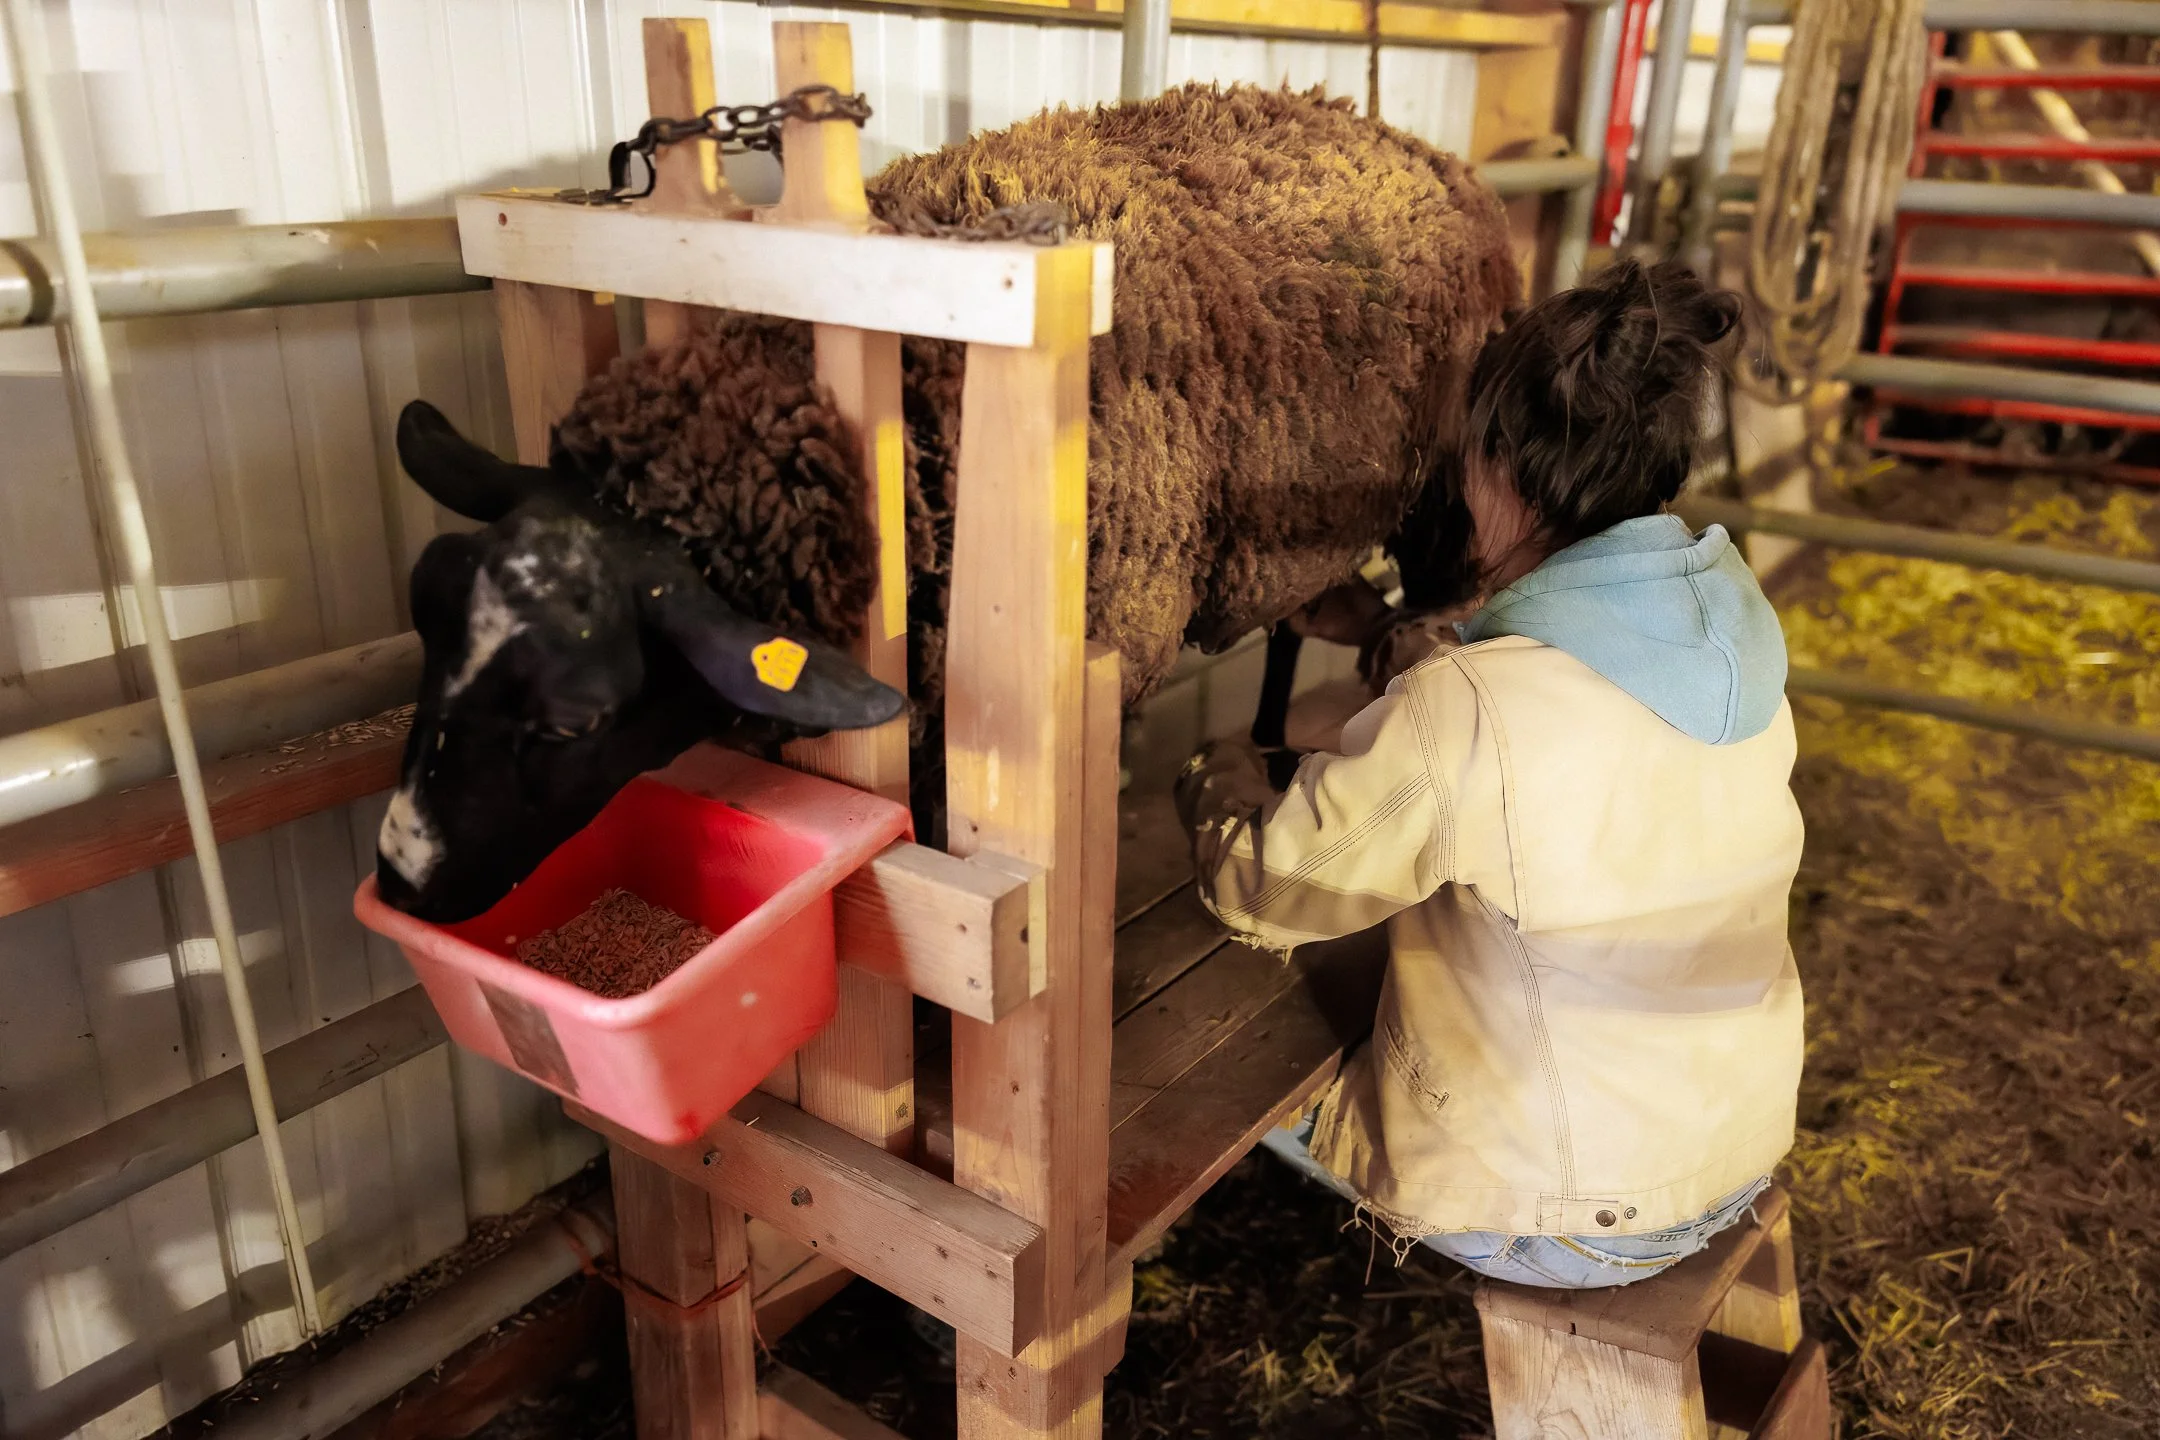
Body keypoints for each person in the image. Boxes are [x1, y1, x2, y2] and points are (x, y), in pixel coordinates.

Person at [1175, 259, 1802, 1289]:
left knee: (1221, 1080)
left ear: (1500, 465)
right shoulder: (1736, 642)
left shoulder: (1472, 709)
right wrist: (1382, 630)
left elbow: (1267, 891)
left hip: (1563, 1216)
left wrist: (1218, 776)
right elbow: (1539, 705)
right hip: (1728, 1153)